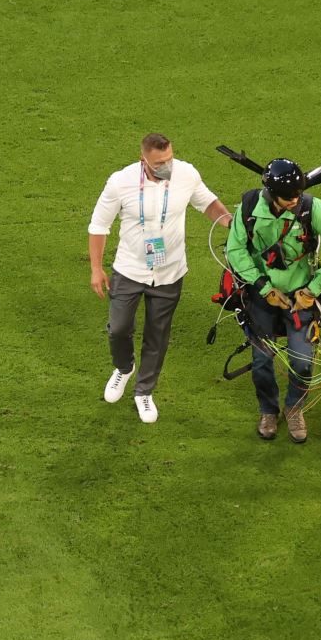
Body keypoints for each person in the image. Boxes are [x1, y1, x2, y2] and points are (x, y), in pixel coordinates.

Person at [88, 132, 233, 423]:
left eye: (168, 159)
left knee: (158, 335)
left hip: (170, 272)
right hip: (129, 269)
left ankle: (144, 391)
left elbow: (207, 203)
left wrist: (232, 223)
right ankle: (124, 368)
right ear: (144, 160)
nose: (166, 166)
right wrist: (96, 268)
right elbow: (98, 225)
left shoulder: (187, 174)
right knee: (118, 328)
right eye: (158, 163)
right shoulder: (120, 181)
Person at [225, 158, 321, 443]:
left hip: (301, 297)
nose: (295, 200)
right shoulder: (248, 208)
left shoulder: (312, 208)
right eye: (289, 196)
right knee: (261, 360)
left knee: (303, 362)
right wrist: (264, 287)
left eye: (298, 194)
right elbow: (235, 250)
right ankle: (268, 410)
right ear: (270, 194)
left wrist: (312, 290)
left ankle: (294, 408)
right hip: (261, 296)